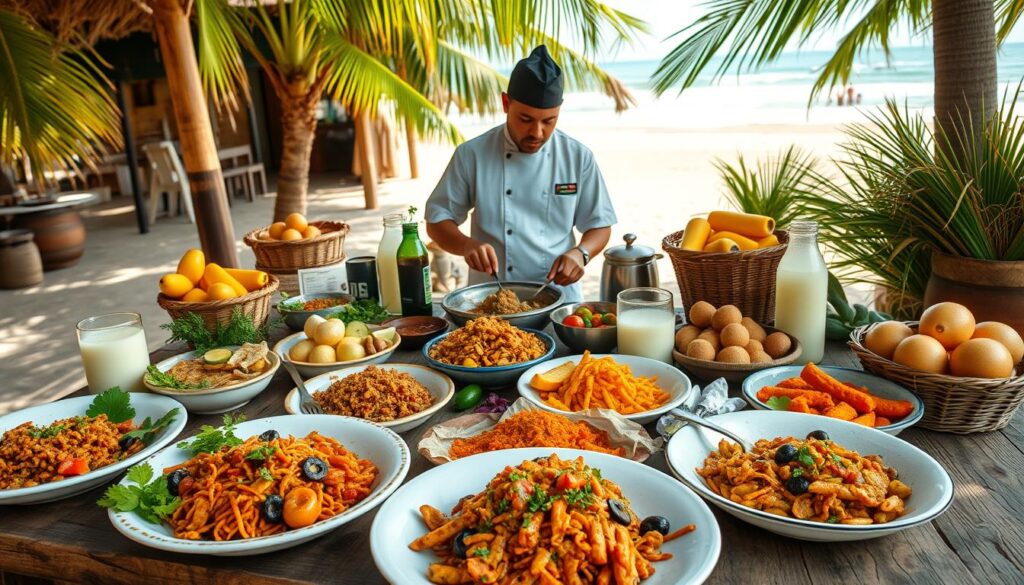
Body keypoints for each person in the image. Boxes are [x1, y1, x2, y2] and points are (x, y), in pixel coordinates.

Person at [424, 45, 615, 303]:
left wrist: (581, 253)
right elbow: (437, 220)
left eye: (549, 121)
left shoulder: (577, 156)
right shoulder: (473, 154)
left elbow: (599, 224)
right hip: (490, 301)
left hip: (559, 301)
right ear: (506, 103)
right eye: (525, 119)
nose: (537, 132)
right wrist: (467, 245)